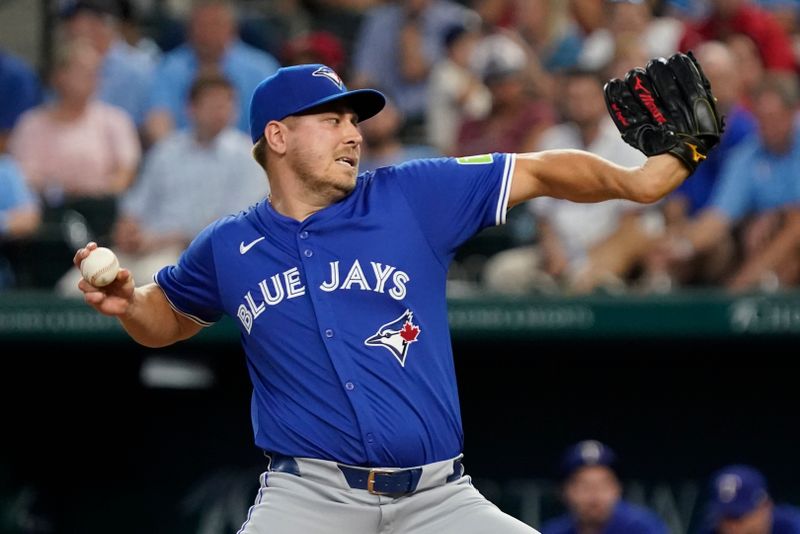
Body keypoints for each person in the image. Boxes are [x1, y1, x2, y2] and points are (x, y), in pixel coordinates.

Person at [70, 57, 720, 533]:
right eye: (332, 120)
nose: (353, 133)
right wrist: (131, 304)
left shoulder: (409, 195)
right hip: (309, 501)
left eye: (355, 120)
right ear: (277, 137)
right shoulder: (227, 246)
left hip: (439, 498)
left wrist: (640, 182)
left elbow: (541, 169)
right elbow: (169, 319)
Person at [541, 440, 668, 534]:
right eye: (584, 487)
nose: (594, 495)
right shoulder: (554, 531)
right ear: (565, 492)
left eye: (603, 485)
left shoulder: (643, 527)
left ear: (617, 489)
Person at [701, 464, 800, 534]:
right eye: (724, 518)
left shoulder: (794, 527)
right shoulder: (710, 530)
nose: (730, 527)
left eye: (737, 517)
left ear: (765, 507)